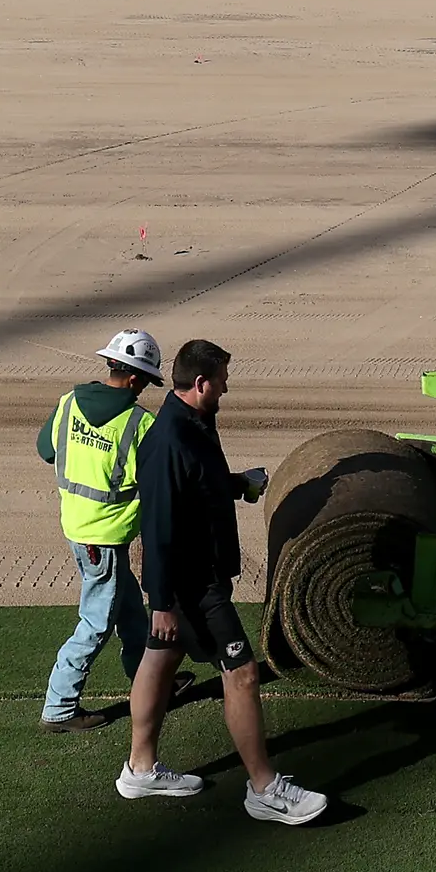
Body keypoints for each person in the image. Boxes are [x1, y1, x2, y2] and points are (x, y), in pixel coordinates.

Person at [117, 339, 326, 825]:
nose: (227, 389)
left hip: (189, 580)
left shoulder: (194, 424)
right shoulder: (170, 439)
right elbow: (159, 526)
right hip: (192, 584)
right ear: (202, 383)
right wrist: (164, 602)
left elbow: (198, 484)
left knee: (160, 656)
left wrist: (236, 484)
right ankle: (264, 789)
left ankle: (140, 768)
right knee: (243, 672)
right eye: (223, 381)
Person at [37, 328, 161, 733]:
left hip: (77, 526)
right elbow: (160, 479)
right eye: (145, 379)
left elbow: (46, 450)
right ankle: (59, 706)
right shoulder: (140, 423)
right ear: (133, 377)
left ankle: (148, 680)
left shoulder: (68, 403)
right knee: (95, 624)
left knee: (128, 611)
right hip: (104, 538)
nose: (144, 387)